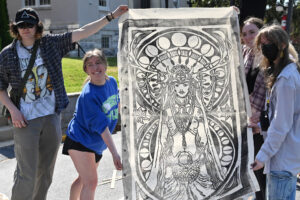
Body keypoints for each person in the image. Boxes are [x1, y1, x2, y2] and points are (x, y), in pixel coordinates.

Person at [0, 6, 127, 200]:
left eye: (29, 24)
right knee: (27, 173)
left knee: (45, 173)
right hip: (25, 119)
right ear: (15, 29)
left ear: (37, 27)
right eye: (21, 25)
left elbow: (83, 32)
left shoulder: (50, 44)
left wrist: (110, 16)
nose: (25, 29)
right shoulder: (8, 54)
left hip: (51, 117)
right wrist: (13, 110)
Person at [62, 49, 122, 200]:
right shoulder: (89, 95)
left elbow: (117, 104)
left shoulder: (112, 82)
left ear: (105, 64)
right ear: (86, 70)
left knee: (84, 180)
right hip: (80, 140)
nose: (95, 68)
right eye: (90, 65)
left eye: (98, 63)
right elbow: (103, 129)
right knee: (91, 182)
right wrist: (115, 154)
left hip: (95, 143)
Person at [251, 25, 300, 200]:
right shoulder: (284, 74)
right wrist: (259, 125)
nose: (265, 47)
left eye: (269, 42)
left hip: (282, 161)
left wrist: (262, 156)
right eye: (262, 43)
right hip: (283, 160)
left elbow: (282, 124)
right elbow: (281, 117)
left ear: (282, 45)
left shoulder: (286, 79)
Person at [241, 17, 266, 200]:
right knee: (245, 173)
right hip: (244, 121)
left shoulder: (270, 57)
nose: (248, 37)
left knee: (260, 176)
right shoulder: (243, 54)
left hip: (261, 125)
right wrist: (230, 17)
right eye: (244, 33)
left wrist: (262, 119)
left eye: (252, 32)